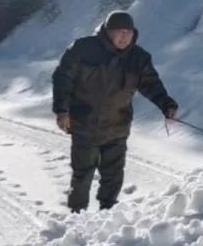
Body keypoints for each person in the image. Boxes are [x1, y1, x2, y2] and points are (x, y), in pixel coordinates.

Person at [51, 11, 178, 213]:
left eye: (128, 33)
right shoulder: (83, 49)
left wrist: (167, 105)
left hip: (117, 125)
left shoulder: (138, 58)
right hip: (85, 123)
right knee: (83, 173)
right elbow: (62, 79)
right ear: (108, 31)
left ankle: (108, 213)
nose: (124, 37)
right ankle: (76, 215)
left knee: (114, 174)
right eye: (120, 32)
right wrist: (62, 111)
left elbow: (151, 84)